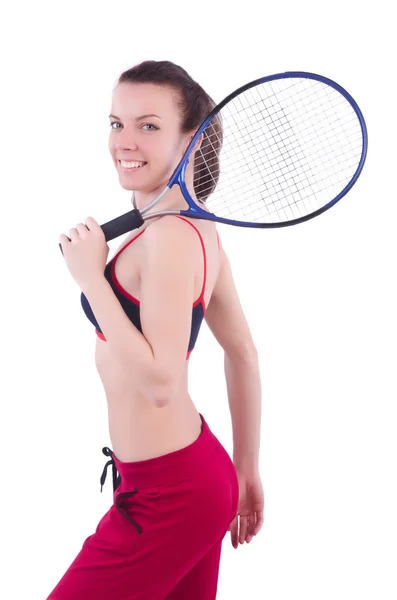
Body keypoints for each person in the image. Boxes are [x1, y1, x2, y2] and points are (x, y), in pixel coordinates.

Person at [50, 60, 264, 600]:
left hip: (171, 497)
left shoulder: (169, 238)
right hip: (187, 480)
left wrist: (90, 279)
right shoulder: (195, 228)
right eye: (116, 123)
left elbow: (163, 384)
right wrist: (244, 469)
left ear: (189, 140)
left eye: (148, 125)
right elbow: (242, 353)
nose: (125, 140)